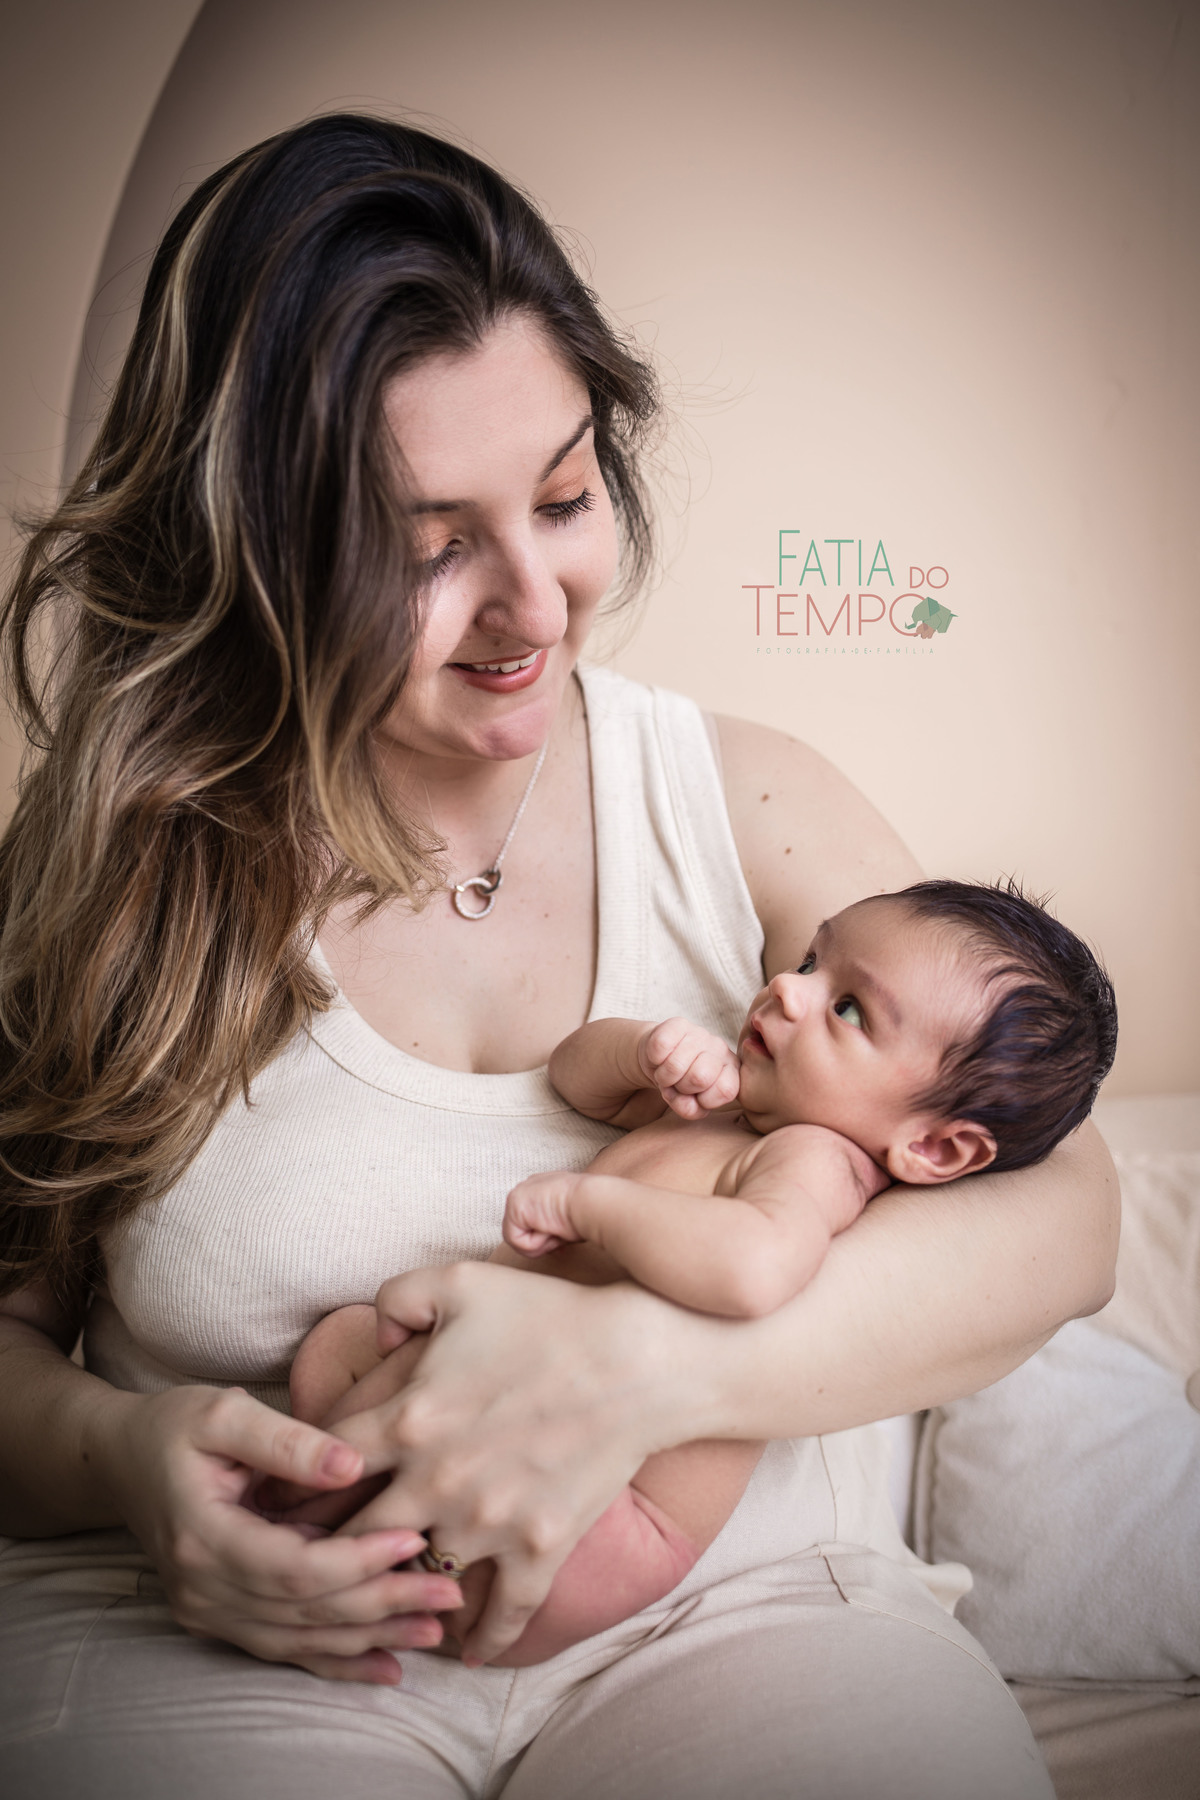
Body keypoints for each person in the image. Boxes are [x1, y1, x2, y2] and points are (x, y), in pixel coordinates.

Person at [0, 114, 1117, 1800]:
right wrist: (125, 1456)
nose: (538, 604)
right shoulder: (116, 866)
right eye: (431, 543)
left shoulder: (741, 799)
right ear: (259, 555)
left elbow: (1071, 1213)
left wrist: (633, 1373)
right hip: (255, 1634)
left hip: (742, 1626)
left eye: (569, 493)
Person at [288, 879, 1117, 1666]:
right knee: (341, 1343)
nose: (788, 993)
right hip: (496, 1397)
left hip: (620, 1510)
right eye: (808, 963)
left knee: (415, 1546)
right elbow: (575, 1078)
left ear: (934, 1146)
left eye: (849, 1009)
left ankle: (336, 1559)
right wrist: (642, 1053)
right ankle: (313, 1524)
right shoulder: (735, 1103)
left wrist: (590, 1209)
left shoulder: (812, 1160)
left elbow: (751, 1267)